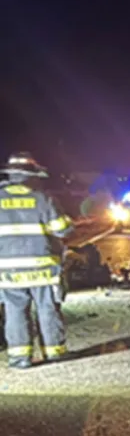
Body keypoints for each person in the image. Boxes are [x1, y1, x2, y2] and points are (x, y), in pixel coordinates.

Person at [0, 152, 73, 368]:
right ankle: (54, 352)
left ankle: (20, 357)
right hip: (42, 268)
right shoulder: (42, 198)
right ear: (32, 175)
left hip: (7, 270)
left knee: (14, 311)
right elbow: (62, 230)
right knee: (47, 308)